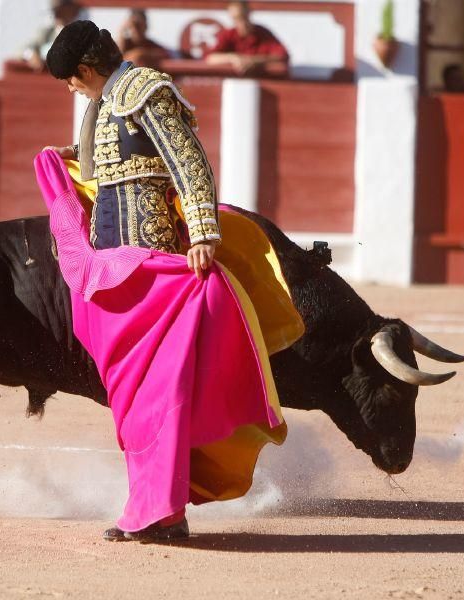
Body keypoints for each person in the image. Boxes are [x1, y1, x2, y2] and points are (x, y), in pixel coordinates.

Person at [37, 20, 294, 543]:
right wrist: (71, 156)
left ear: (86, 69)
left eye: (70, 79)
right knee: (132, 395)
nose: (71, 88)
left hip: (154, 259)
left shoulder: (143, 91)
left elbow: (189, 162)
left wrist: (202, 231)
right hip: (116, 263)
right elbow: (122, 159)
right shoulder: (107, 102)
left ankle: (164, 513)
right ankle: (155, 507)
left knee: (157, 391)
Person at [204, 1, 289, 76]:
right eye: (236, 18)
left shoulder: (263, 34)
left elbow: (282, 56)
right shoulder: (228, 35)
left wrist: (254, 61)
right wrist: (233, 58)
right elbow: (210, 58)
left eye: (243, 16)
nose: (241, 22)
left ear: (249, 14)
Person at [21, 0, 82, 72]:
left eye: (61, 10)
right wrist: (31, 55)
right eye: (55, 11)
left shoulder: (81, 34)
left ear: (72, 11)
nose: (57, 15)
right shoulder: (46, 32)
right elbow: (25, 48)